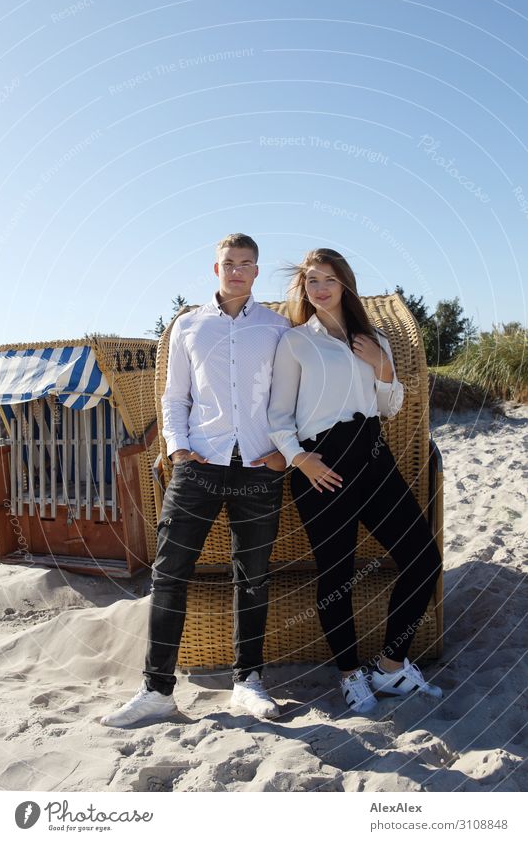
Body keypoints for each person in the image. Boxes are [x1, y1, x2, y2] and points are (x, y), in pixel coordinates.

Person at [101, 233, 290, 727]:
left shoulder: (278, 328)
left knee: (252, 578)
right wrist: (177, 448)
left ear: (256, 271)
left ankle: (248, 683)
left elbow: (291, 397)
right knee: (169, 576)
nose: (237, 271)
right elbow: (174, 397)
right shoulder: (187, 326)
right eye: (229, 263)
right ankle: (157, 691)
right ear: (216, 269)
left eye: (246, 264)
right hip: (198, 467)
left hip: (258, 469)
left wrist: (282, 457)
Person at [267, 248, 442, 715]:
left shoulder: (374, 338)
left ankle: (390, 666)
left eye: (328, 279)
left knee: (423, 557)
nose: (320, 289)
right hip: (322, 465)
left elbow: (391, 405)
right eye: (311, 282)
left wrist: (383, 369)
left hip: (374, 456)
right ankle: (349, 676)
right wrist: (300, 459)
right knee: (336, 573)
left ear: (345, 283)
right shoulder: (296, 342)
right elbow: (278, 415)